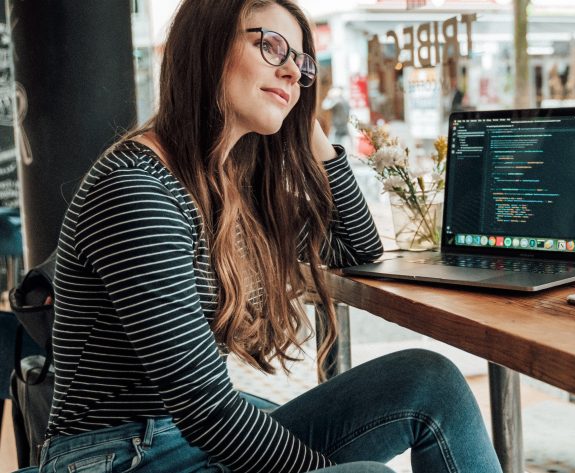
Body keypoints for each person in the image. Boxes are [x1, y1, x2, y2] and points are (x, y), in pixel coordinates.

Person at [27, 1, 502, 472]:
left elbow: (357, 249)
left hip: (189, 440)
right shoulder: (136, 187)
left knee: (428, 381)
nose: (294, 73)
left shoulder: (225, 187)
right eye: (271, 47)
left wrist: (314, 140)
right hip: (119, 455)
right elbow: (208, 411)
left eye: (301, 62)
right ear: (208, 46)